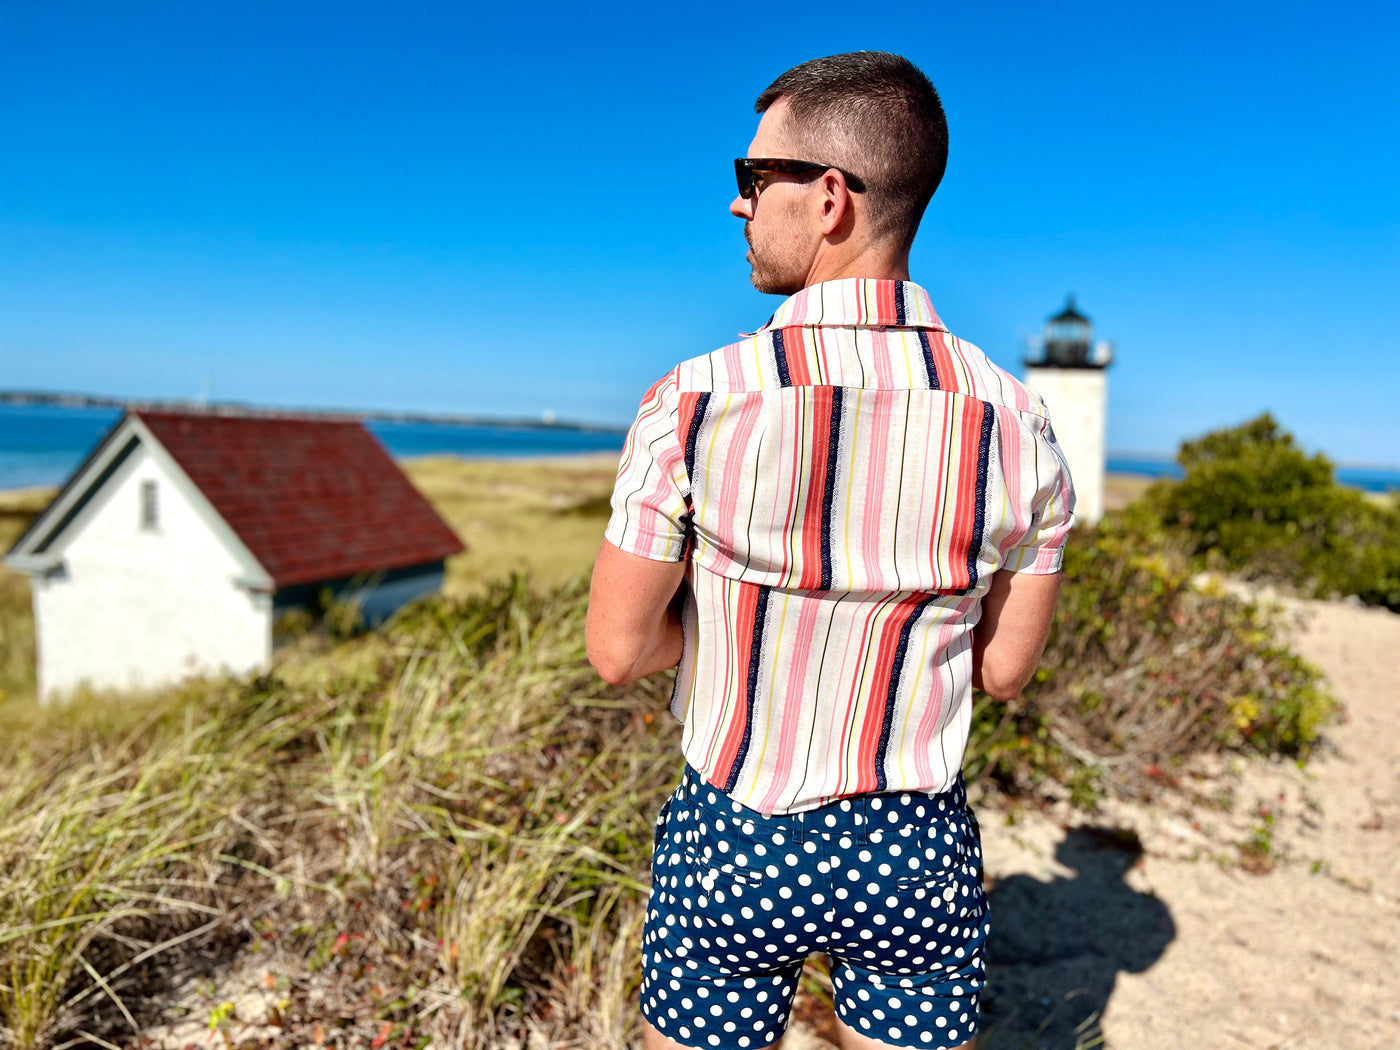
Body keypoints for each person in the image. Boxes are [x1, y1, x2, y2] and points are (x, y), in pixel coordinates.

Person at [586, 51, 1074, 1050]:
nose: (737, 205)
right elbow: (1007, 670)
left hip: (733, 831)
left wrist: (725, 626)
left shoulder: (693, 399)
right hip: (911, 846)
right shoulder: (1016, 419)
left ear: (830, 197)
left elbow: (617, 650)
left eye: (753, 178)